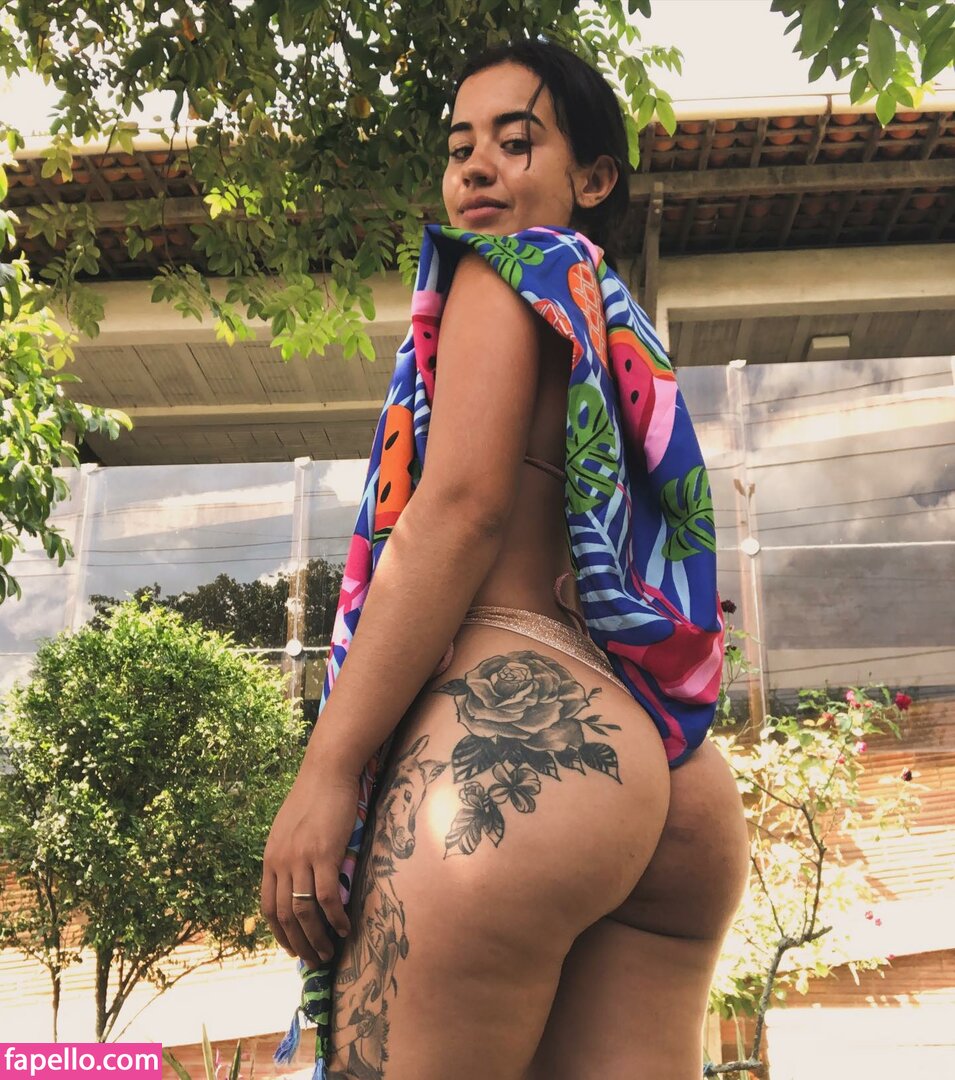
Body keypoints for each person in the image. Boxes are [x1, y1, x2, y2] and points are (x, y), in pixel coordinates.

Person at [262, 37, 749, 1080]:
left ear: (593, 178)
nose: (477, 166)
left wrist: (327, 770)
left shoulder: (500, 272)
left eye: (515, 141)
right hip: (673, 778)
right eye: (459, 148)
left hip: (507, 752)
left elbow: (460, 511)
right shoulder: (611, 323)